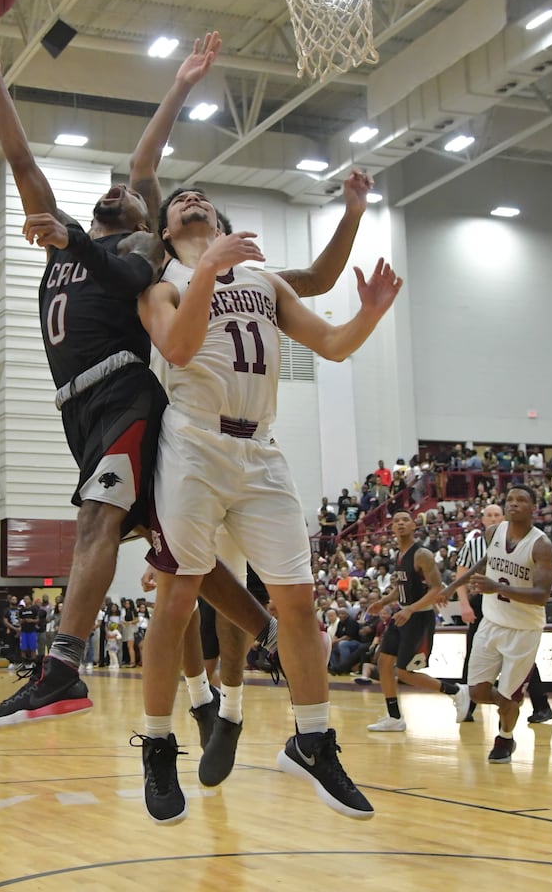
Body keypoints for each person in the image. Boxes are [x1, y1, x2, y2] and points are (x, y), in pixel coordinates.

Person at [0, 18, 280, 729]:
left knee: (94, 524)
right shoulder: (58, 239)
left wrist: (175, 89)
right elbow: (18, 159)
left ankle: (62, 669)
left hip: (124, 393)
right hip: (77, 411)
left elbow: (144, 165)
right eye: (117, 192)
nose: (121, 191)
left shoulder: (143, 251)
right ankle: (278, 638)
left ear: (153, 222)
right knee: (176, 554)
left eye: (136, 195)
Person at [133, 184, 402, 824]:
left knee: (298, 601)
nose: (191, 199)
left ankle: (311, 741)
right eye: (179, 201)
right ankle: (158, 742)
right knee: (176, 597)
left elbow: (333, 344)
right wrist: (205, 268)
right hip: (195, 443)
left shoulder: (264, 280)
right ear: (168, 232)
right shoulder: (161, 285)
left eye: (201, 196)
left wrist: (368, 314)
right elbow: (177, 348)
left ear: (219, 220)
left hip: (262, 452)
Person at [441, 485, 552, 762]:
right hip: (491, 622)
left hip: (523, 629)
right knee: (478, 692)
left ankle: (505, 737)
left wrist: (497, 588)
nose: (513, 504)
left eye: (521, 500)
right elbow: (484, 562)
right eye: (509, 500)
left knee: (507, 697)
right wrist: (453, 586)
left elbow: (541, 596)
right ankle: (510, 702)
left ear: (533, 508)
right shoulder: (494, 532)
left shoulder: (541, 545)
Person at [365, 511, 470, 733]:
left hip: (419, 616)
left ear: (414, 525)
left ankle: (456, 691)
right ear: (391, 528)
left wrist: (411, 609)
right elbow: (401, 588)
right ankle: (394, 717)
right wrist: (382, 602)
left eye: (405, 520)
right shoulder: (399, 554)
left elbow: (437, 588)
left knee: (403, 672)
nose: (400, 523)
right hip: (403, 614)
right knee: (383, 664)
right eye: (396, 520)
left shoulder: (422, 554)